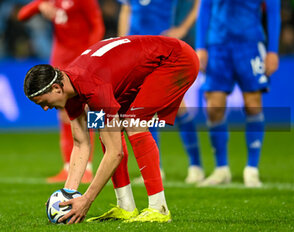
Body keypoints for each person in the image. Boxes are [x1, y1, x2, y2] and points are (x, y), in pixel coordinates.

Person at [23, 35, 199, 223]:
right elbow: (81, 143)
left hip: (176, 59)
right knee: (105, 132)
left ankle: (159, 209)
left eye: (43, 102)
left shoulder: (91, 86)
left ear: (56, 88)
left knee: (133, 123)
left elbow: (116, 153)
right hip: (140, 69)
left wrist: (87, 200)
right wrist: (68, 195)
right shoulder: (69, 89)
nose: (45, 108)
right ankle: (125, 207)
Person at [18, 0, 105, 183]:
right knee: (63, 114)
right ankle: (68, 167)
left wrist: (89, 57)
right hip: (59, 61)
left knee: (85, 112)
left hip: (80, 60)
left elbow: (97, 26)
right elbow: (22, 15)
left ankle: (86, 168)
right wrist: (39, 6)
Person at [117, 0, 204, 184]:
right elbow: (126, 9)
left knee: (179, 106)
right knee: (143, 108)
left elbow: (199, 4)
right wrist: (121, 41)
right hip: (136, 50)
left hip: (163, 49)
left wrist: (182, 29)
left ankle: (196, 166)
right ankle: (156, 169)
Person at [196, 0, 281, 187]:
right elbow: (205, 7)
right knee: (214, 107)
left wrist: (273, 51)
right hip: (217, 45)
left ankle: (252, 169)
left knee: (253, 104)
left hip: (250, 44)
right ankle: (221, 169)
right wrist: (200, 46)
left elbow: (274, 10)